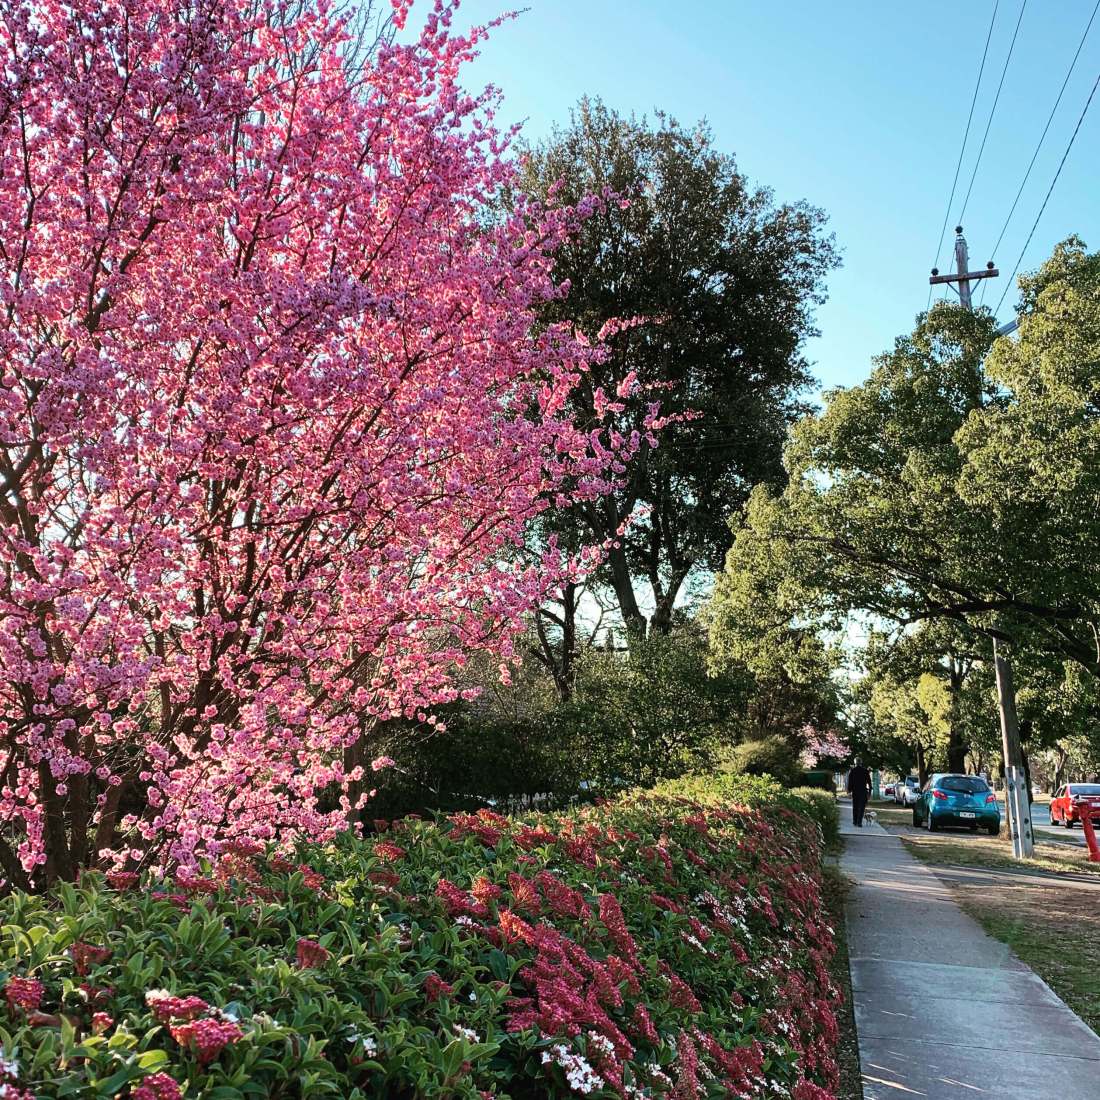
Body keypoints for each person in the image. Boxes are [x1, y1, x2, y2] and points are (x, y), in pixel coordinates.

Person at [846, 759, 872, 827]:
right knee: (862, 807)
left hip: (855, 791)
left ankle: (855, 821)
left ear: (855, 763)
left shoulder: (852, 771)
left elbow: (850, 782)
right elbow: (869, 782)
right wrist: (869, 792)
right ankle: (859, 822)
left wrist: (849, 791)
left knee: (855, 807)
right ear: (861, 763)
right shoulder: (865, 771)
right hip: (863, 791)